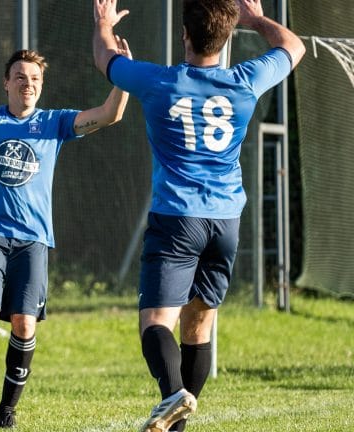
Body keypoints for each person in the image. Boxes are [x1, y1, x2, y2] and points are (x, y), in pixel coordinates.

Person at [91, 0, 305, 431]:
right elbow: (293, 46)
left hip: (176, 219)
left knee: (156, 322)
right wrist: (256, 20)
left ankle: (173, 396)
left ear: (185, 35)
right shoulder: (244, 81)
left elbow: (104, 57)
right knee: (199, 324)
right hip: (225, 221)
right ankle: (177, 423)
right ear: (227, 38)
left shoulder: (158, 81)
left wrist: (103, 24)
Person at [0, 18, 130, 430]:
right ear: (6, 83)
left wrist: (122, 73)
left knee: (24, 323)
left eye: (34, 77)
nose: (28, 83)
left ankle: (8, 410)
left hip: (34, 240)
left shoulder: (54, 123)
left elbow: (110, 114)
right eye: (20, 76)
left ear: (41, 85)